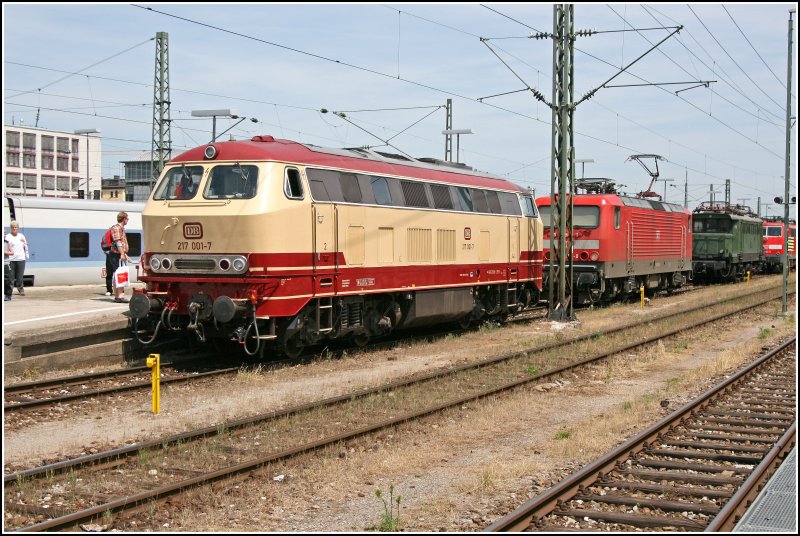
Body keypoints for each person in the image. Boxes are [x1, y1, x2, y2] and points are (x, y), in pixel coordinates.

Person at [107, 211, 136, 303]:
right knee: (119, 274)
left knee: (117, 274)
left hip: (118, 254)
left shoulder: (121, 228)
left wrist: (124, 254)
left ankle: (118, 296)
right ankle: (120, 296)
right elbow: (118, 242)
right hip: (116, 254)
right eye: (127, 218)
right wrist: (122, 254)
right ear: (124, 219)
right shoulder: (117, 228)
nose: (128, 220)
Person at [7, 221, 29, 295]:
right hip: (11, 259)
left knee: (20, 276)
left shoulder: (21, 235)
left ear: (18, 228)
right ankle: (9, 291)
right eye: (13, 227)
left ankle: (21, 289)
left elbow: (26, 245)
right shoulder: (8, 236)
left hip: (21, 258)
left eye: (16, 227)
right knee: (11, 276)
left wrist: (25, 242)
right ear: (11, 228)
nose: (14, 228)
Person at [3, 228, 13, 301]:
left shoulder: (7, 242)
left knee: (7, 280)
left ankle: (8, 295)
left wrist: (5, 253)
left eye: (5, 233)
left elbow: (12, 252)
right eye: (3, 233)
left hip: (5, 263)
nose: (5, 234)